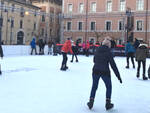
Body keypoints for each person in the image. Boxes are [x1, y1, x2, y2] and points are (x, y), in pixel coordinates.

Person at [87, 37, 122, 110]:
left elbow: (94, 60)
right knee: (109, 87)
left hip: (95, 70)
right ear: (109, 45)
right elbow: (113, 65)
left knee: (94, 86)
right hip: (105, 72)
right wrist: (118, 76)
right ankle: (108, 103)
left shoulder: (97, 50)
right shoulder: (109, 52)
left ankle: (91, 102)